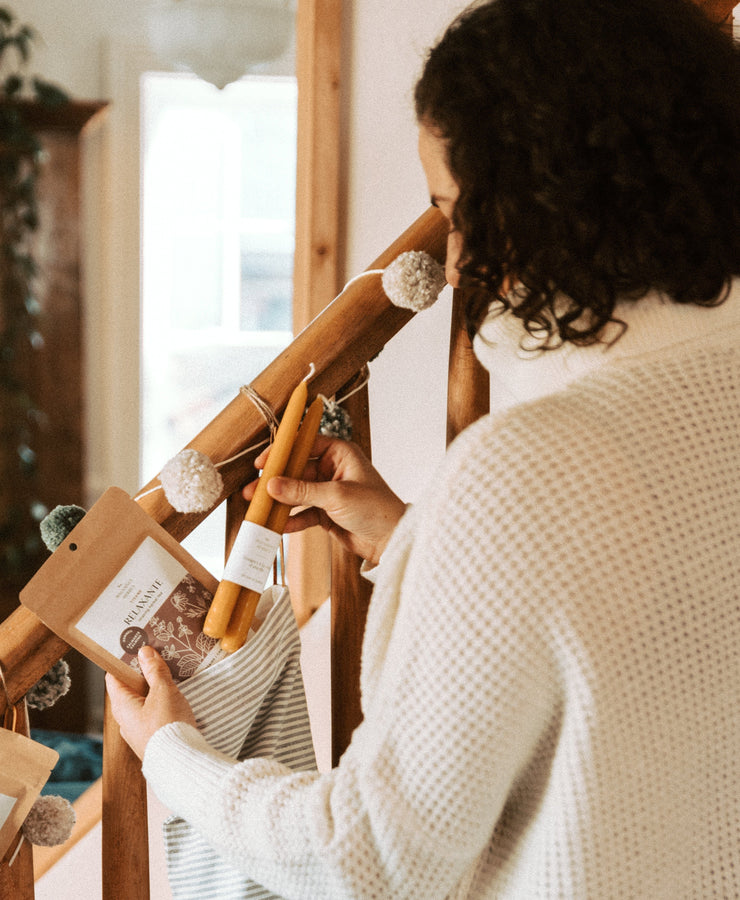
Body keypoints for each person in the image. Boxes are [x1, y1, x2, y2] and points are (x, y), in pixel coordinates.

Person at [107, 0, 740, 895]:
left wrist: (172, 755)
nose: (450, 264)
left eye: (453, 210)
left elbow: (370, 854)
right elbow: (644, 629)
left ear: (546, 203)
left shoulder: (530, 462)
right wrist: (420, 539)